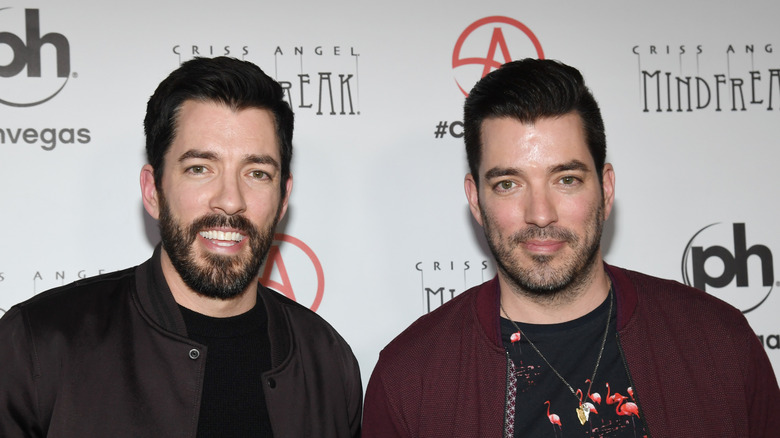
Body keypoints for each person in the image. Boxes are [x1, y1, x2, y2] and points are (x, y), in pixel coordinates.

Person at [362, 58, 779, 437]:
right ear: (476, 200)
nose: (540, 214)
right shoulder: (411, 380)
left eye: (566, 179)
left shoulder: (718, 343)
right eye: (508, 184)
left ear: (607, 188)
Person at [0, 56, 362, 437]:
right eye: (200, 168)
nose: (230, 200)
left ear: (283, 197)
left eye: (257, 173)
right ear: (153, 191)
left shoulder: (327, 360)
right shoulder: (40, 346)